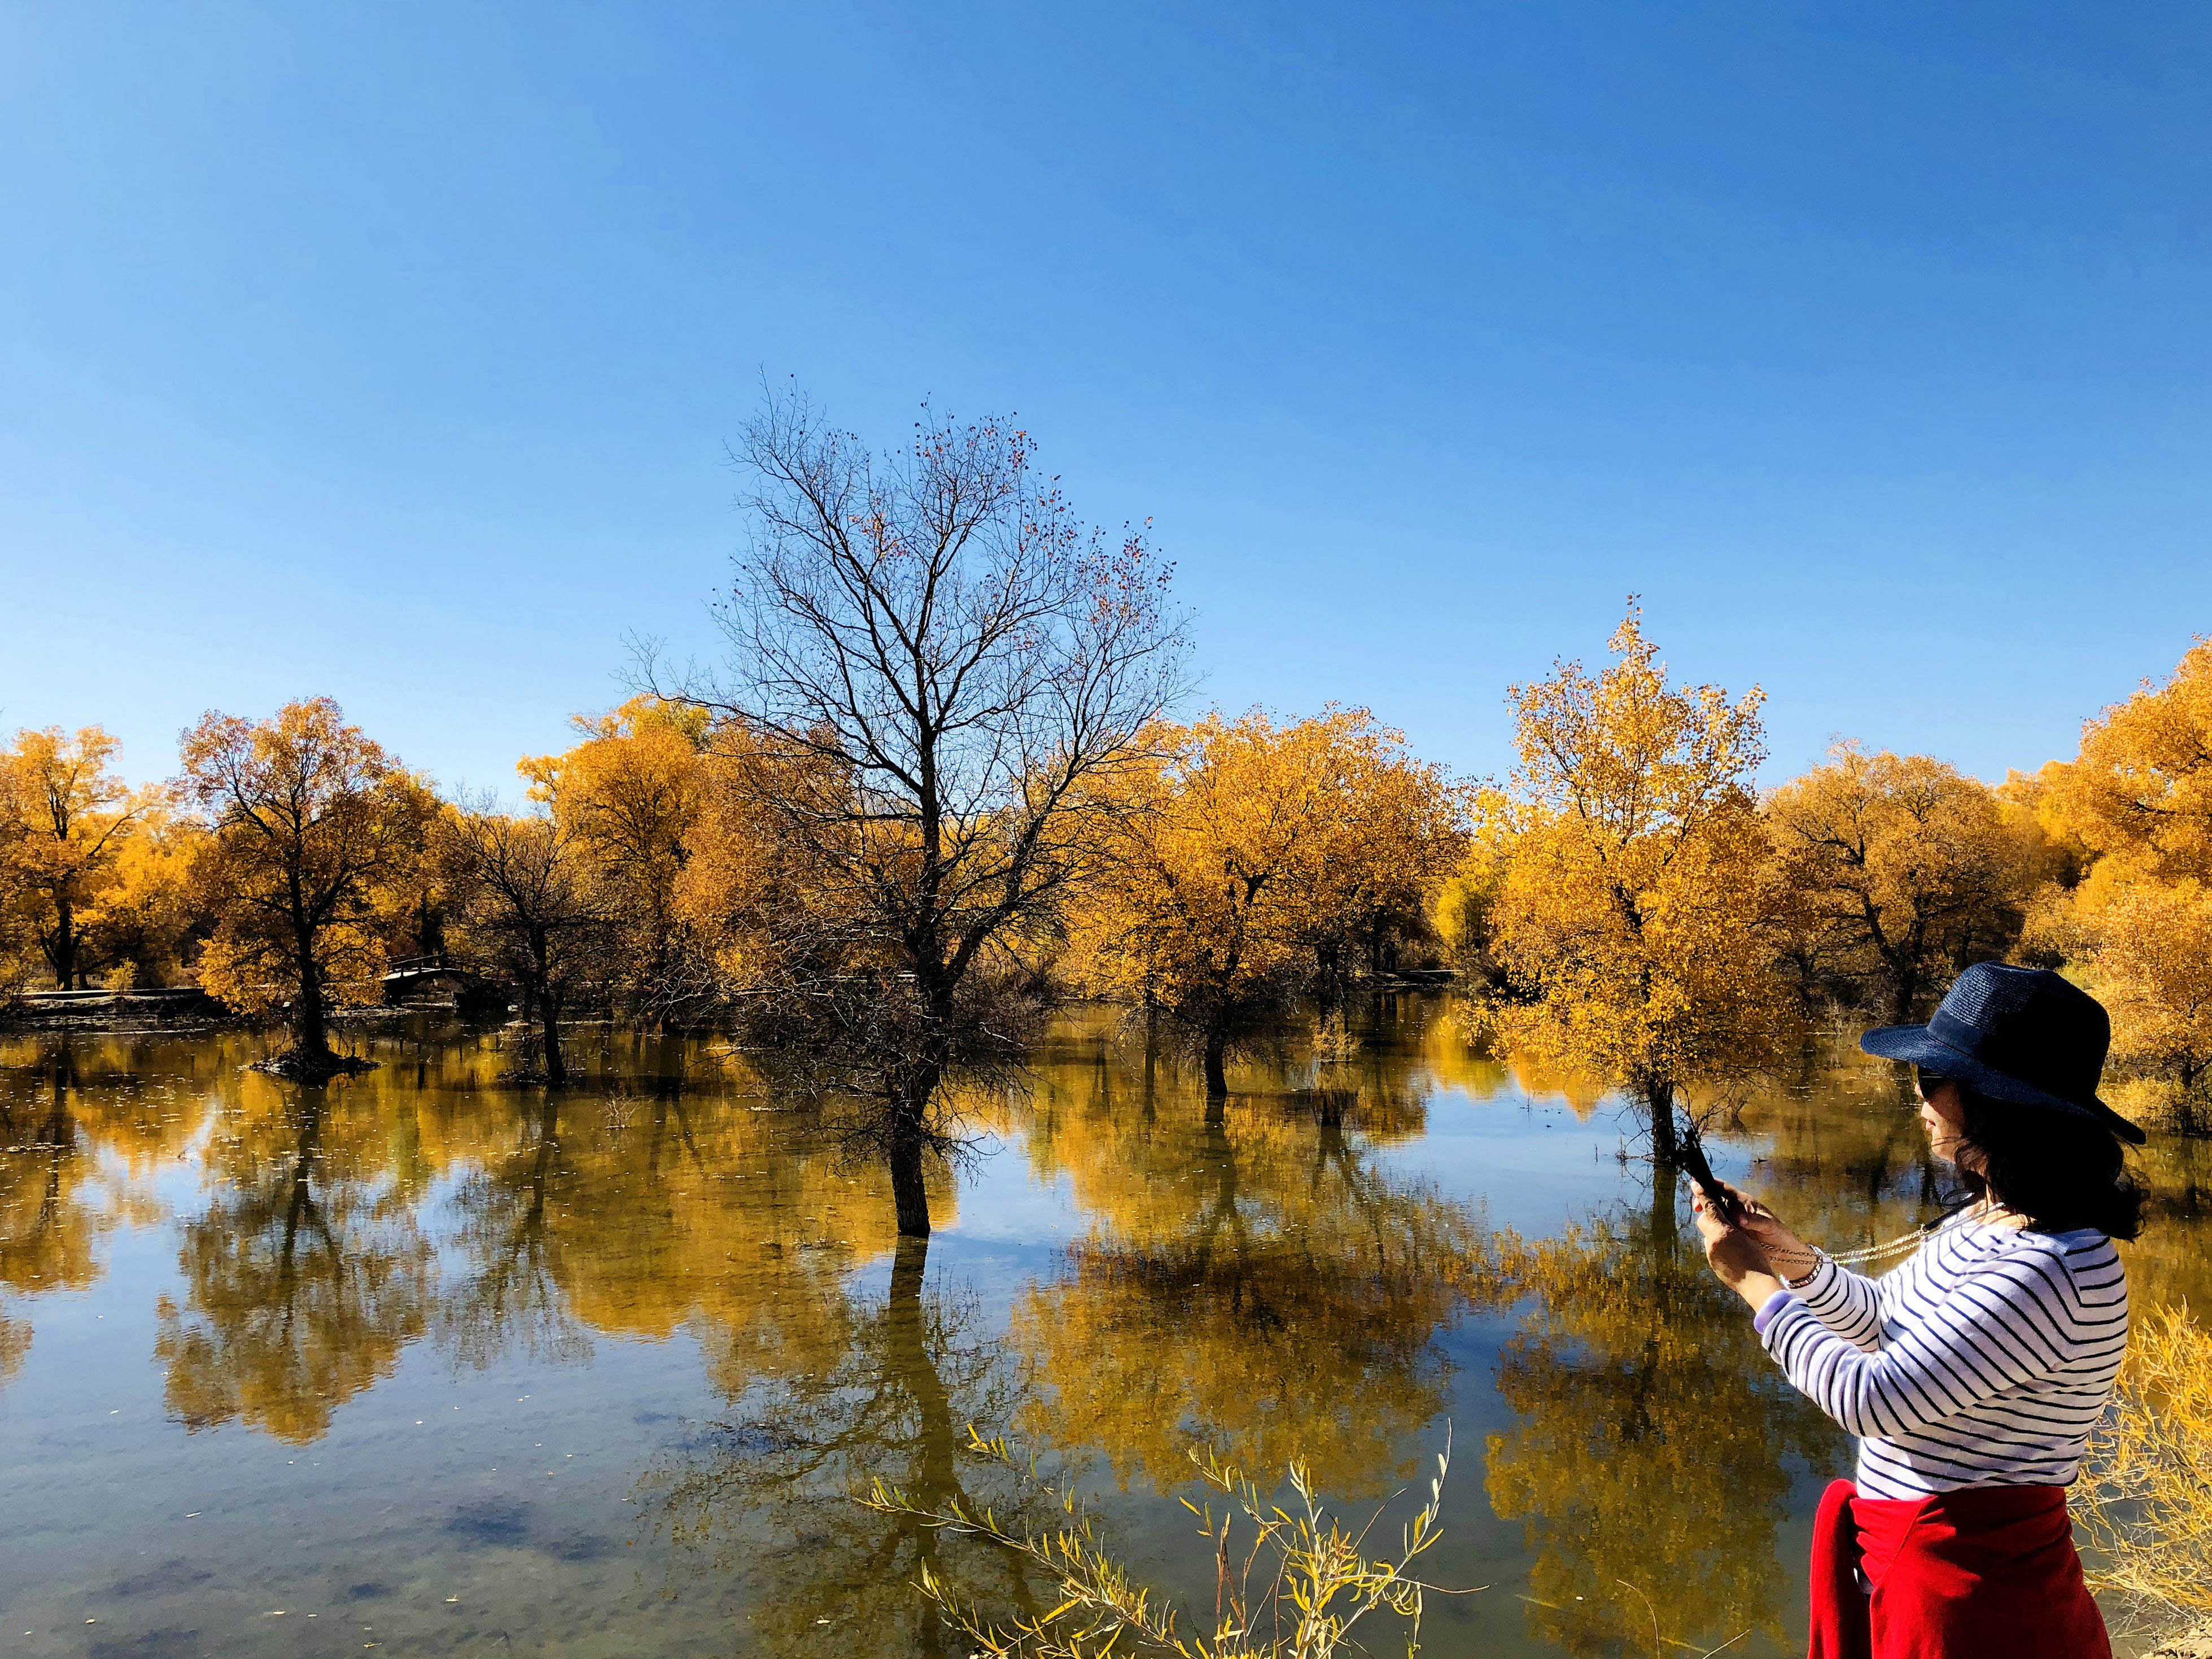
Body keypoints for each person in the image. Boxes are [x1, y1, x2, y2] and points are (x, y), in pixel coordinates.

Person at [1693, 962, 2145, 1659]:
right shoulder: (1994, 1220)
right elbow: (1885, 1324)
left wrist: (1755, 1286)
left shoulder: (2056, 1267)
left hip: (1975, 1599)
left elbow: (1875, 1398)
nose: (1920, 1098)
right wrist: (1790, 1256)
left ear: (1996, 1102)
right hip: (1921, 1569)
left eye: (1932, 1078)